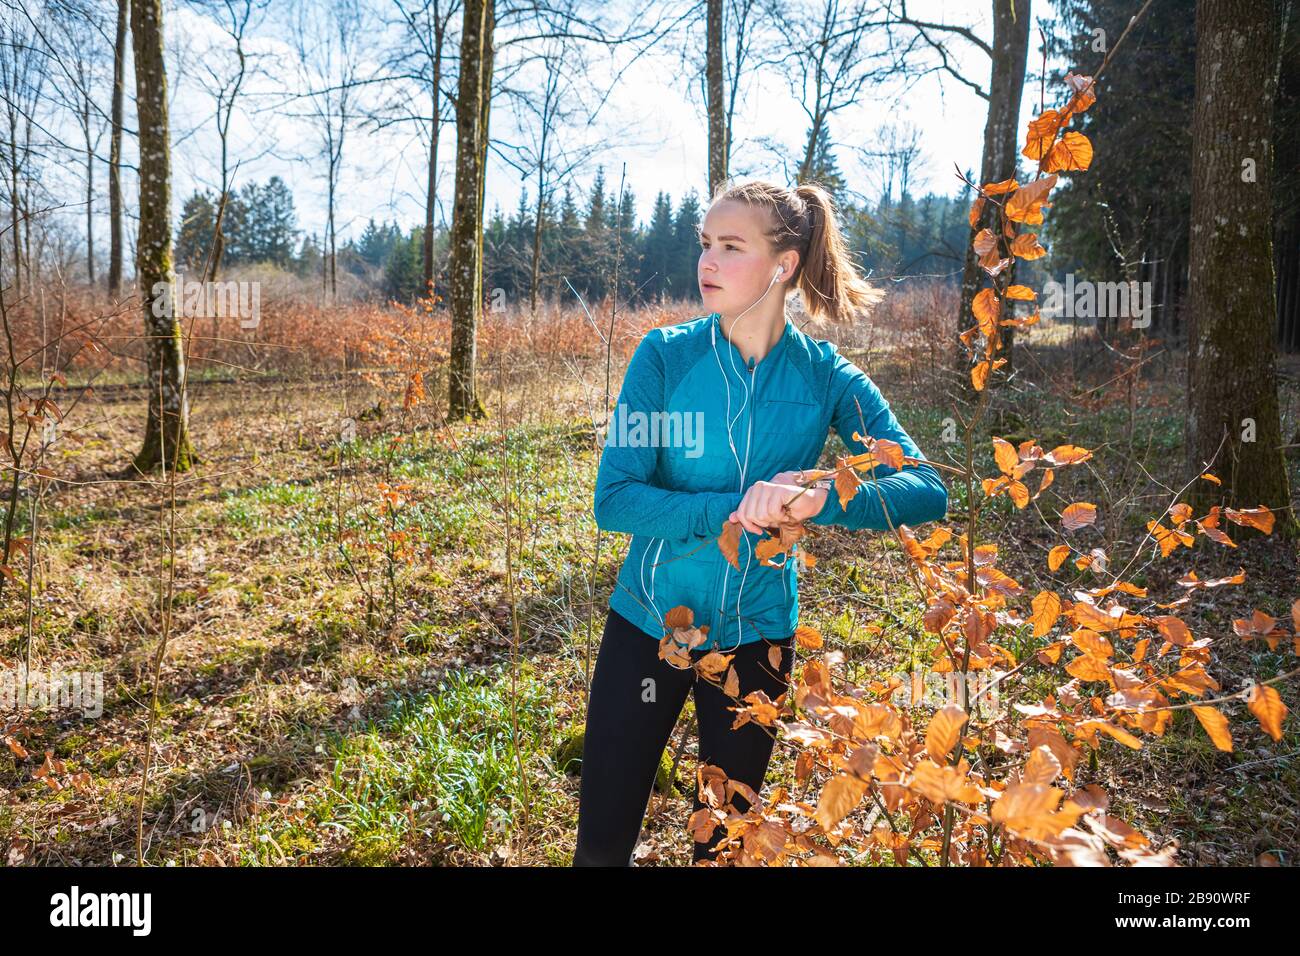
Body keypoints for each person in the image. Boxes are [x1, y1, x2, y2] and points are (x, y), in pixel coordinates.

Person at [572, 179, 948, 867]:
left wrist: (823, 500)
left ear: (783, 266)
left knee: (724, 848)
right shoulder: (663, 357)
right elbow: (615, 498)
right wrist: (732, 506)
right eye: (705, 245)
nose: (707, 263)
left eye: (730, 246)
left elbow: (926, 487)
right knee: (601, 848)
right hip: (650, 627)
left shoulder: (828, 377)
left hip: (760, 640)